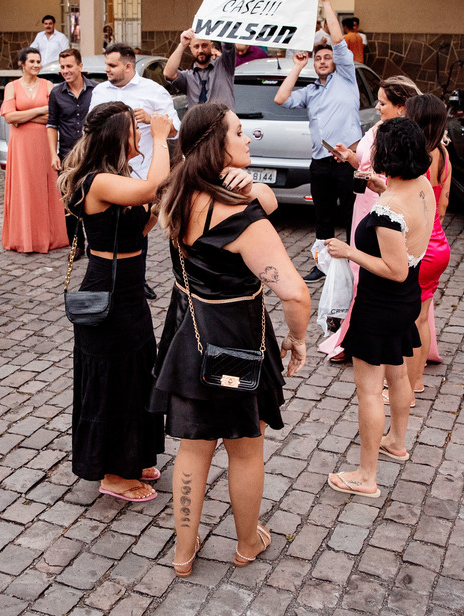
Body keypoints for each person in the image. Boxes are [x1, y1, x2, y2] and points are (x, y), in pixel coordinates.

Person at [151, 102, 311, 577]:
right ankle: (246, 544)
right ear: (218, 146)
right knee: (245, 445)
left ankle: (183, 553)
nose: (248, 139)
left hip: (190, 330)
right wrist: (297, 339)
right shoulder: (239, 217)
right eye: (240, 133)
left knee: (193, 447)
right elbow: (295, 294)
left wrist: (256, 185)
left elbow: (268, 202)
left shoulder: (178, 191)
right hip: (239, 337)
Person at [59, 102, 173, 502]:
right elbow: (150, 188)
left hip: (129, 290)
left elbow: (138, 224)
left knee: (137, 373)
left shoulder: (117, 176)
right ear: (119, 136)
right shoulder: (98, 181)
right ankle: (111, 473)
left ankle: (134, 455)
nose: (140, 135)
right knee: (112, 381)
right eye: (135, 129)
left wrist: (152, 212)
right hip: (107, 295)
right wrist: (161, 138)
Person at [323, 117, 433, 498]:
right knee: (398, 373)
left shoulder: (388, 210)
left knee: (369, 391)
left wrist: (348, 251)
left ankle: (365, 475)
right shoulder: (420, 187)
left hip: (380, 302)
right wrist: (381, 186)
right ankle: (396, 442)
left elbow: (395, 269)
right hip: (406, 301)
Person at [319, 76, 420, 363]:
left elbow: (399, 177)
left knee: (373, 270)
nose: (377, 107)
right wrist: (348, 155)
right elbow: (362, 160)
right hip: (362, 202)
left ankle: (362, 340)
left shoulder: (401, 138)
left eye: (383, 102)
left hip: (382, 202)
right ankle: (352, 336)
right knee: (357, 271)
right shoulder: (377, 128)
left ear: (401, 107)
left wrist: (375, 180)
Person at [274, 0, 362, 282]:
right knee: (322, 218)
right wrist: (297, 67)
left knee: (352, 215)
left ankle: (353, 265)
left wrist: (326, 2)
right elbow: (281, 99)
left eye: (327, 57)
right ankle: (323, 264)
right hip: (321, 163)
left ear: (335, 61)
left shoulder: (346, 78)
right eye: (318, 58)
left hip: (348, 162)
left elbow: (338, 41)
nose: (323, 61)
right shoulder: (310, 91)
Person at [91, 43, 181, 299]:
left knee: (138, 226)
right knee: (107, 225)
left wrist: (152, 118)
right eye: (106, 64)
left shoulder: (153, 91)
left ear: (128, 66)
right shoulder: (99, 92)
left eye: (112, 65)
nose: (106, 69)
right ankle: (106, 277)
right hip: (107, 172)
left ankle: (136, 280)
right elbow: (91, 130)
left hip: (143, 171)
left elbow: (175, 130)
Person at [405, 93, 451, 401]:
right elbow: (443, 204)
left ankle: (403, 386)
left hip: (416, 248)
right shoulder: (443, 154)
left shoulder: (413, 155)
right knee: (421, 317)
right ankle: (417, 381)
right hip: (438, 244)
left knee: (405, 320)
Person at [1, 47, 68, 253]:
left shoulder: (48, 85)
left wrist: (23, 116)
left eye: (38, 61)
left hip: (42, 142)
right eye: (32, 61)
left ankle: (47, 236)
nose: (36, 65)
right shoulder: (12, 87)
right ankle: (23, 237)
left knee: (44, 184)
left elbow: (52, 117)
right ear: (22, 64)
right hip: (20, 145)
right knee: (24, 185)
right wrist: (39, 110)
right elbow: (9, 117)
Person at [48, 48, 98, 244]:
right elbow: (52, 125)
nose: (65, 71)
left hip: (93, 155)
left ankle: (94, 243)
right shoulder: (56, 93)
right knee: (69, 202)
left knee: (93, 200)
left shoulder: (96, 90)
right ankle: (76, 244)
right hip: (67, 156)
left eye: (69, 66)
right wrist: (53, 154)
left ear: (80, 66)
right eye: (62, 67)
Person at [163, 28, 237, 109]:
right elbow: (168, 73)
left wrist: (221, 28)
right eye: (196, 46)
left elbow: (228, 46)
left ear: (211, 46)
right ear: (191, 48)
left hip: (222, 121)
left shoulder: (224, 67)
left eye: (204, 45)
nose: (200, 50)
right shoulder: (188, 77)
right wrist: (182, 45)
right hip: (197, 121)